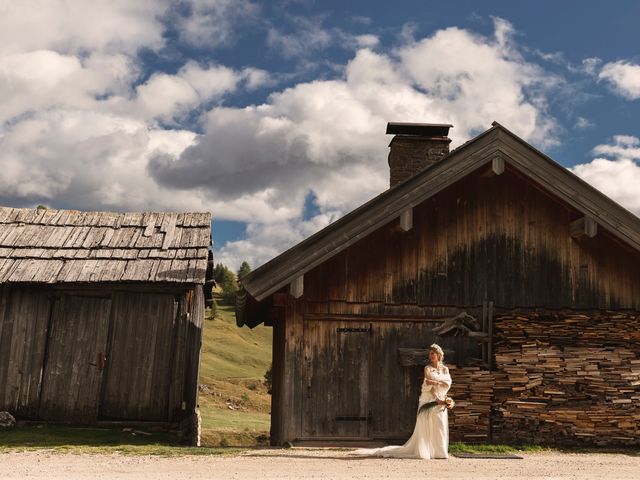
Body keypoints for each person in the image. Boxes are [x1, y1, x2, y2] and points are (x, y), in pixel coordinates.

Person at [353, 343, 452, 459]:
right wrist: (437, 398)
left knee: (439, 424)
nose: (430, 356)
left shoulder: (445, 369)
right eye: (429, 354)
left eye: (433, 353)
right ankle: (426, 451)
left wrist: (440, 393)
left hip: (442, 399)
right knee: (426, 425)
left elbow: (447, 384)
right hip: (429, 399)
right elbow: (428, 385)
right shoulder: (427, 368)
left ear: (439, 355)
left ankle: (440, 452)